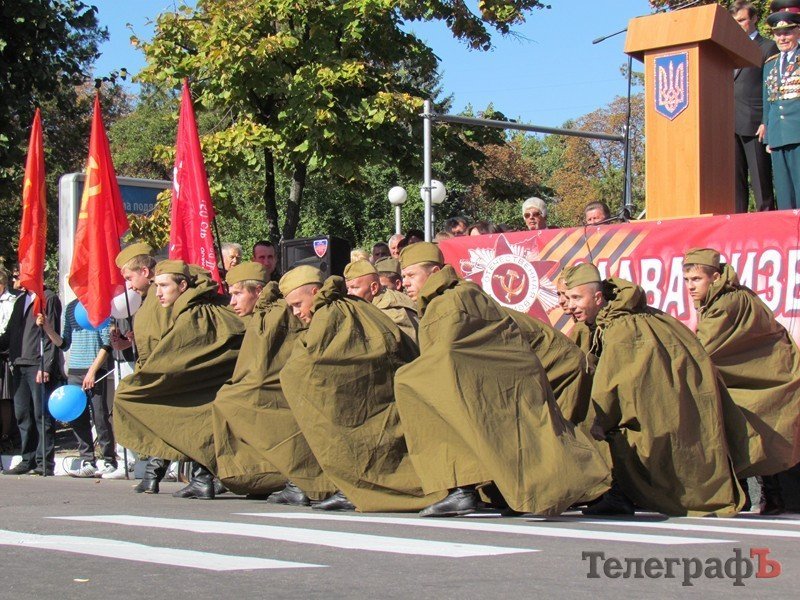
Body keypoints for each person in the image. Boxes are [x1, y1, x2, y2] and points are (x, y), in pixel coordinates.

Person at [394, 243, 611, 517]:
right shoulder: (449, 298)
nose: (405, 283)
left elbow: (452, 353)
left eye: (412, 275)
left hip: (531, 370)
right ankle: (485, 490)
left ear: (434, 272)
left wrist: (414, 378)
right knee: (523, 434)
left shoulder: (450, 300)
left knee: (420, 389)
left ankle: (467, 490)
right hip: (514, 372)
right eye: (404, 276)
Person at [562, 262, 745, 516]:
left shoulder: (621, 326)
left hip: (663, 398)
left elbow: (612, 383)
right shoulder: (607, 320)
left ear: (598, 297)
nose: (569, 305)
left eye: (576, 298)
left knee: (606, 428)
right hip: (658, 396)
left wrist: (599, 421)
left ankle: (619, 494)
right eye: (567, 297)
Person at [279, 266, 436, 512]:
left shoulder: (333, 313)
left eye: (298, 304)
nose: (296, 312)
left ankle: (354, 488)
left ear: (316, 291)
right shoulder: (344, 308)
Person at [113, 260, 245, 498]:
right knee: (181, 419)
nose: (159, 292)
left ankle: (196, 477)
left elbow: (177, 349)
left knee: (182, 417)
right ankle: (186, 476)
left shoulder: (193, 311)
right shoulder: (186, 306)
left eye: (164, 285)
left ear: (182, 285)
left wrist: (149, 378)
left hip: (203, 380)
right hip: (196, 379)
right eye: (157, 286)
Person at [683, 248, 800, 514]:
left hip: (764, 378)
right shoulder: (732, 297)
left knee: (748, 431)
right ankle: (760, 495)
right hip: (759, 377)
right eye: (687, 280)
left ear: (714, 278)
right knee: (754, 433)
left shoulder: (726, 303)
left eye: (696, 280)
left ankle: (758, 495)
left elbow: (705, 349)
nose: (690, 286)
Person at [211, 263, 331, 503]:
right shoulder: (267, 314)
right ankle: (265, 476)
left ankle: (294, 478)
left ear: (257, 291)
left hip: (294, 387)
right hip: (287, 383)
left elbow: (275, 363)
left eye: (237, 293)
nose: (232, 301)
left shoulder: (276, 313)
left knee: (238, 402)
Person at [37, 298, 117, 478]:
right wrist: (48, 328)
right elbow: (64, 343)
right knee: (78, 417)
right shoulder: (71, 307)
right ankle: (88, 459)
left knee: (100, 416)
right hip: (75, 369)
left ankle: (109, 460)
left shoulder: (100, 304)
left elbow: (107, 344)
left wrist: (92, 371)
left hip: (94, 370)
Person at [0, 285, 62, 476]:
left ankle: (44, 461)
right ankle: (28, 459)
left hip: (38, 364)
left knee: (41, 414)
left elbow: (52, 335)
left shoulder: (48, 298)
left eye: (21, 273)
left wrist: (47, 366)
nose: (17, 278)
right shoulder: (20, 300)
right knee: (22, 413)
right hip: (19, 363)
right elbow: (10, 333)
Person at [731, 1, 777, 212]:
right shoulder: (726, 48)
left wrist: (766, 121)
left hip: (755, 123)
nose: (738, 25)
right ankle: (737, 228)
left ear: (755, 18)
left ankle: (767, 226)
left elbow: (771, 88)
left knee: (761, 182)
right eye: (734, 22)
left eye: (741, 20)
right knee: (734, 186)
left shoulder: (767, 47)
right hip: (730, 125)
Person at [764, 2, 800, 209]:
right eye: (778, 34)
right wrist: (769, 136)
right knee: (785, 198)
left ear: (797, 32)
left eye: (787, 32)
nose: (782, 38)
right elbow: (768, 100)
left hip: (797, 132)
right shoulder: (770, 64)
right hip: (778, 136)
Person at [343, 260, 419, 340]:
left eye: (355, 288)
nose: (349, 293)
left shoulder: (391, 311)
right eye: (348, 288)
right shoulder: (374, 303)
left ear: (374, 288)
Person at [0, 267, 22, 452]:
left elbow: (9, 330)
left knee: (5, 399)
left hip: (4, 354)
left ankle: (6, 436)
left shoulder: (12, 300)